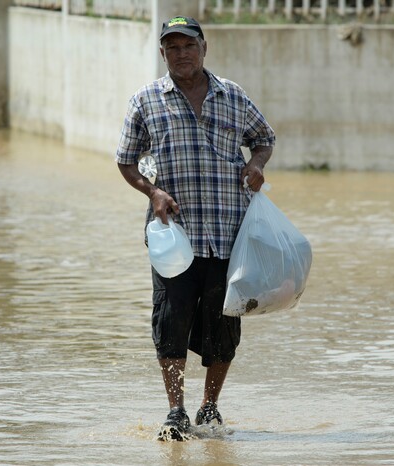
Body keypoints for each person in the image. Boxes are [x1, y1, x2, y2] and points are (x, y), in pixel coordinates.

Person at [115, 15, 275, 441]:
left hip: (228, 235)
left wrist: (256, 164)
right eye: (172, 47)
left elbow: (264, 138)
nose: (181, 54)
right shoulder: (146, 100)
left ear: (204, 49)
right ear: (163, 53)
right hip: (174, 237)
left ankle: (209, 408)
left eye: (188, 46)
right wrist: (152, 193)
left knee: (224, 326)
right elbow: (125, 161)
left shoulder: (234, 96)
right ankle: (175, 411)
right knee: (170, 321)